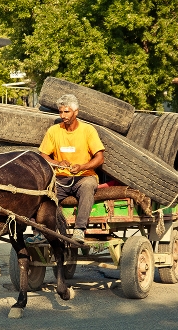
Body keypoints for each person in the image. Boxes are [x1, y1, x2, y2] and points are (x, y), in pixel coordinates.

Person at [28, 94, 105, 243]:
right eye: (60, 112)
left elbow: (99, 158)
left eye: (67, 112)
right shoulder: (54, 131)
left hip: (84, 176)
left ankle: (79, 230)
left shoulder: (88, 130)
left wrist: (82, 166)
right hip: (61, 178)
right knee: (44, 193)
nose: (63, 115)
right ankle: (40, 231)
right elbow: (43, 155)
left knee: (88, 186)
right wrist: (57, 162)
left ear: (76, 112)